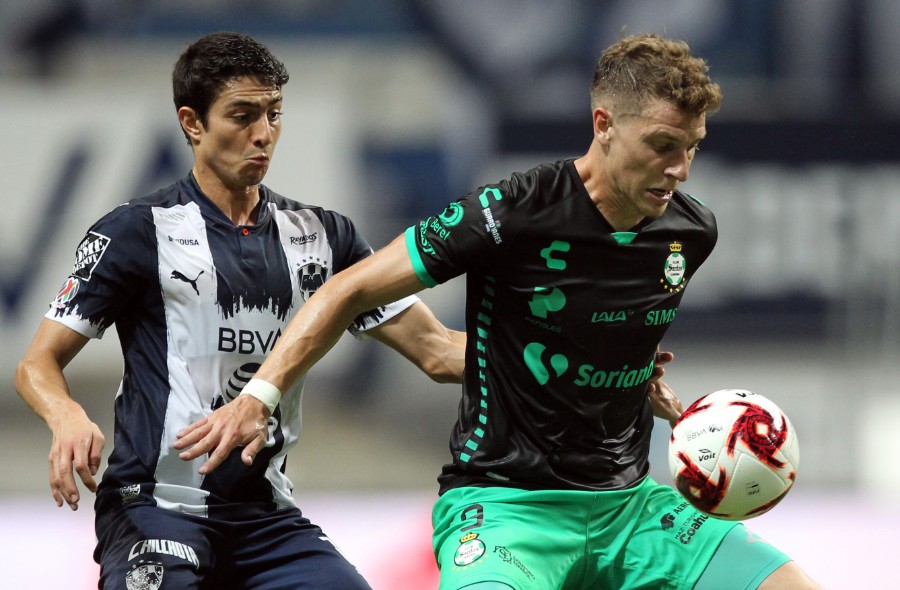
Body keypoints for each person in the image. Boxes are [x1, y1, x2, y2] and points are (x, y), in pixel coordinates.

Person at [176, 34, 822, 589]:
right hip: (507, 508)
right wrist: (260, 395)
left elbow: (589, 333)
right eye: (661, 145)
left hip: (631, 508)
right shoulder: (511, 211)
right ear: (604, 125)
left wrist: (627, 372)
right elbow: (346, 289)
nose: (679, 168)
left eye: (692, 147)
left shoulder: (690, 233)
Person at [14, 32, 465, 589]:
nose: (263, 134)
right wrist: (66, 416)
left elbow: (439, 351)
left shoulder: (327, 238)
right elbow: (36, 363)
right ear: (192, 123)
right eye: (243, 115)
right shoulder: (136, 230)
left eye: (274, 114)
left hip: (268, 520)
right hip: (155, 507)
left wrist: (561, 347)